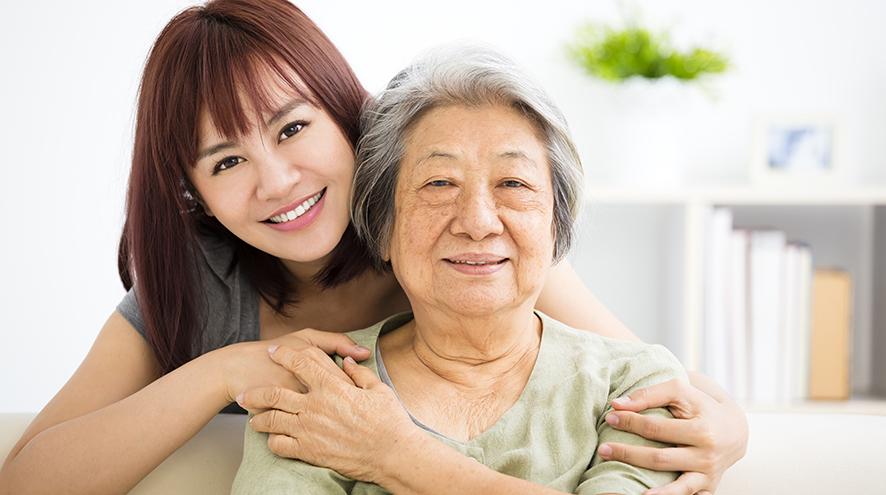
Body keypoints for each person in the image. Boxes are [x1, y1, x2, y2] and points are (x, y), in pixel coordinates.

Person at [0, 1, 746, 494]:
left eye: (293, 129)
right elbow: (30, 477)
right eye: (227, 161)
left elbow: (653, 381)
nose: (276, 181)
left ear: (347, 113)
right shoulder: (197, 283)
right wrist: (228, 368)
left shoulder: (462, 240)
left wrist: (731, 429)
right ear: (190, 189)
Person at [232, 45, 689, 495]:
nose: (478, 222)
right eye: (439, 183)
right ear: (384, 226)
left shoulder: (634, 383)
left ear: (555, 223)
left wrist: (396, 455)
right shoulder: (319, 390)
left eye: (513, 183)